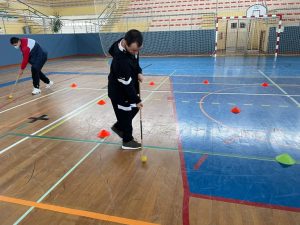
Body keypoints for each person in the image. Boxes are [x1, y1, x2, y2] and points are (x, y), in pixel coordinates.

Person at [108, 29, 144, 150]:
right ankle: (127, 141)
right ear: (125, 44)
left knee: (133, 109)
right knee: (126, 113)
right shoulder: (120, 61)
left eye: (138, 50)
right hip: (118, 91)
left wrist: (139, 71)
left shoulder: (132, 47)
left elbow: (135, 61)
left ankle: (119, 127)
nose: (135, 52)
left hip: (128, 85)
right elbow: (126, 85)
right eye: (133, 50)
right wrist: (137, 99)